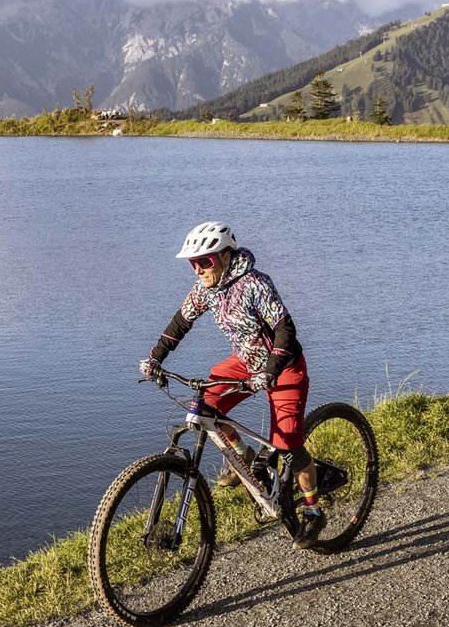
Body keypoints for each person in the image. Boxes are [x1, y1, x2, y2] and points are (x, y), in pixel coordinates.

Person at [139, 221, 324, 535]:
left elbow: (284, 330)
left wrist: (270, 371)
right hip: (244, 362)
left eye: (204, 262)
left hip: (283, 367)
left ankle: (313, 509)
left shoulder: (255, 283)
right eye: (193, 264)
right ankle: (242, 456)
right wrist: (156, 358)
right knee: (205, 405)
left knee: (289, 445)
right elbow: (180, 323)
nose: (198, 269)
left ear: (225, 257)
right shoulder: (205, 289)